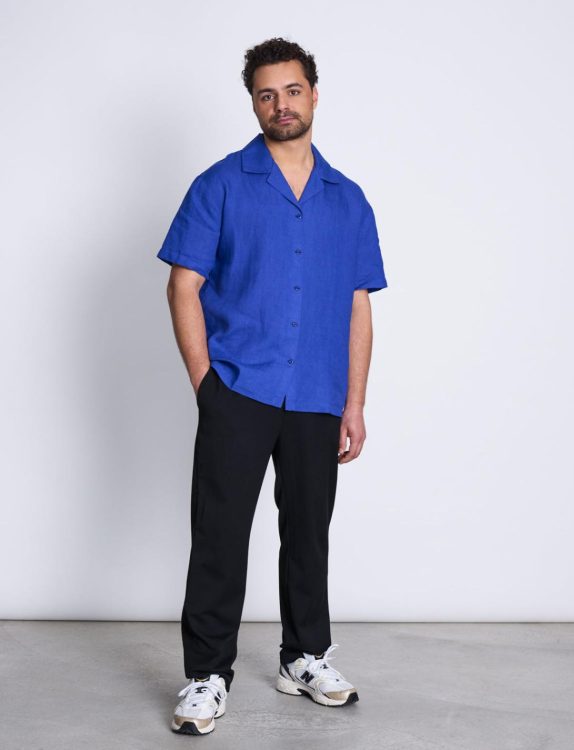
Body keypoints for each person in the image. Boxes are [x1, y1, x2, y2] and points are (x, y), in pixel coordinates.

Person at [156, 37, 388, 736]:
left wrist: (354, 402)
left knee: (309, 532)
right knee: (220, 534)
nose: (280, 104)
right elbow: (183, 285)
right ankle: (206, 674)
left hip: (318, 394)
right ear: (253, 103)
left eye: (291, 90)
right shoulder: (220, 185)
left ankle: (304, 657)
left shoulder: (348, 199)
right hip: (240, 387)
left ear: (313, 94)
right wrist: (207, 385)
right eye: (266, 94)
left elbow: (357, 304)